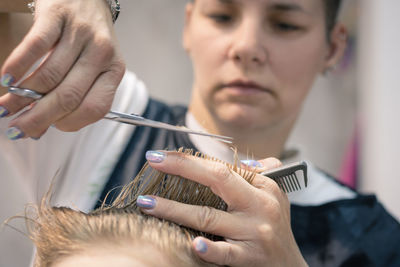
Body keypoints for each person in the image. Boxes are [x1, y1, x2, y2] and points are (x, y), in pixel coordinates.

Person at [1, 0, 399, 266]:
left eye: (285, 24)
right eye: (223, 16)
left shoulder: (368, 234)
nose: (247, 47)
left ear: (332, 48)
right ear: (188, 24)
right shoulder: (92, 115)